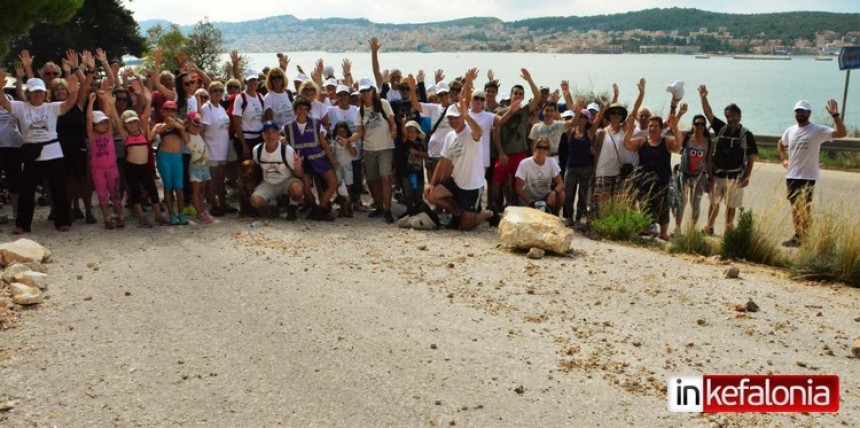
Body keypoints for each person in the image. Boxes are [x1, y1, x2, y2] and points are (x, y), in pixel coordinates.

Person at [0, 73, 79, 233]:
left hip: (53, 152)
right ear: (28, 93)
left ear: (45, 93)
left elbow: (68, 104)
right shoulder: (21, 107)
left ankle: (63, 221)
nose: (38, 95)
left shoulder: (51, 107)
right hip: (32, 153)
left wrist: (74, 91)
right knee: (27, 190)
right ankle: (22, 224)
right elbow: (3, 102)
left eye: (41, 92)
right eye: (34, 92)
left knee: (59, 188)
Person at [425, 68, 495, 231]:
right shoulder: (450, 136)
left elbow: (479, 132)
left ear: (462, 117)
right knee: (431, 195)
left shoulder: (471, 133)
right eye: (450, 118)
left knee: (466, 227)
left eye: (456, 118)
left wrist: (467, 115)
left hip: (472, 186)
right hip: (456, 182)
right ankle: (456, 210)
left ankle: (487, 213)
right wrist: (432, 184)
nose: (452, 121)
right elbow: (443, 162)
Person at [777, 99, 846, 247]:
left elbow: (841, 133)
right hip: (792, 175)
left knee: (805, 208)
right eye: (797, 111)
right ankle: (798, 236)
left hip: (808, 176)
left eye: (803, 111)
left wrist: (835, 116)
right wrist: (783, 159)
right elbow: (781, 143)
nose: (800, 114)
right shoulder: (790, 130)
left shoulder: (818, 130)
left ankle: (806, 238)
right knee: (795, 208)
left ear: (809, 113)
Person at [698, 84, 758, 235]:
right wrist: (704, 98)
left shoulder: (746, 135)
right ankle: (709, 227)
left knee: (731, 206)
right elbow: (708, 114)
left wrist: (746, 177)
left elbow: (751, 159)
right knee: (713, 203)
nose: (729, 119)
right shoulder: (721, 128)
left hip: (735, 177)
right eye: (727, 116)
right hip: (718, 175)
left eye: (732, 116)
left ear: (739, 116)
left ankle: (728, 231)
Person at [623, 109, 683, 241]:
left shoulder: (666, 141)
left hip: (662, 182)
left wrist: (676, 127)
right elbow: (627, 144)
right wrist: (629, 130)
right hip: (645, 182)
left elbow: (678, 145)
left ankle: (663, 233)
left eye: (656, 126)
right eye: (650, 126)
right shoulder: (641, 141)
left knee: (663, 208)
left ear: (661, 129)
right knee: (645, 206)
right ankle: (645, 230)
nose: (652, 128)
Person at [345, 77, 397, 223]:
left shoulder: (383, 104)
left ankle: (387, 210)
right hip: (369, 149)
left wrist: (394, 131)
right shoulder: (360, 111)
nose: (366, 94)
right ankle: (380, 206)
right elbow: (359, 132)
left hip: (385, 148)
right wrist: (348, 140)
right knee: (373, 180)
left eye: (368, 90)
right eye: (363, 91)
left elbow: (393, 123)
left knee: (385, 178)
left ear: (373, 90)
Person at [490, 68, 541, 211]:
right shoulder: (501, 112)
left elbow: (537, 98)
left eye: (520, 94)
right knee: (496, 182)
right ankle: (493, 208)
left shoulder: (525, 111)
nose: (517, 96)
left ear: (523, 97)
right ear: (511, 95)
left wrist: (529, 80)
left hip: (520, 153)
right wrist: (500, 152)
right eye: (515, 93)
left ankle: (513, 208)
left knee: (516, 184)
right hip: (504, 153)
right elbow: (496, 134)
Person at [116, 81, 166, 228]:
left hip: (144, 167)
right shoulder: (126, 136)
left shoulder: (143, 131)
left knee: (153, 191)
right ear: (125, 125)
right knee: (135, 194)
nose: (132, 125)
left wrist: (148, 99)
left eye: (134, 122)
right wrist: (109, 102)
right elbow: (114, 117)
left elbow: (145, 116)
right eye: (129, 123)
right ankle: (141, 219)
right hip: (131, 167)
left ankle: (158, 216)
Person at [285, 97, 338, 221]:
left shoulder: (315, 123)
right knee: (307, 190)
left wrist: (331, 160)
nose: (302, 111)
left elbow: (324, 143)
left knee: (333, 183)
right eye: (299, 109)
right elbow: (284, 144)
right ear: (295, 110)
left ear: (308, 110)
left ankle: (320, 209)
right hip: (303, 161)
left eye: (305, 109)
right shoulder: (287, 127)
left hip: (319, 159)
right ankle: (314, 209)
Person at [86, 91, 124, 229]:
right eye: (99, 124)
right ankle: (107, 219)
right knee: (102, 195)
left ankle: (120, 217)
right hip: (98, 170)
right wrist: (90, 102)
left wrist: (107, 101)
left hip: (112, 168)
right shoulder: (92, 136)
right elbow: (89, 119)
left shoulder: (109, 134)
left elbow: (108, 115)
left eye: (104, 123)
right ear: (94, 126)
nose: (102, 125)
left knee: (115, 194)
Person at [250, 120, 305, 214]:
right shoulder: (257, 150)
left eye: (273, 133)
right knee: (255, 201)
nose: (270, 136)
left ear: (278, 134)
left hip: (286, 182)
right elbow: (257, 168)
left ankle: (293, 205)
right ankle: (273, 205)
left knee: (297, 189)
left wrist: (298, 166)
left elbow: (300, 174)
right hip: (269, 183)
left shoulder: (287, 150)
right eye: (267, 133)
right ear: (263, 135)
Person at [200, 81, 236, 216]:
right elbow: (203, 129)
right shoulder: (206, 107)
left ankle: (222, 202)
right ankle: (213, 205)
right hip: (211, 148)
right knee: (212, 179)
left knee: (221, 179)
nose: (218, 93)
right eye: (215, 90)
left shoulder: (221, 108)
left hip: (222, 148)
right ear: (210, 92)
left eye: (221, 90)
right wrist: (203, 148)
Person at [562, 102, 600, 226]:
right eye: (580, 117)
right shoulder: (570, 131)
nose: (581, 119)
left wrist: (603, 108)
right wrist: (577, 111)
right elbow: (571, 121)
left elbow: (598, 120)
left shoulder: (589, 133)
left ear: (587, 120)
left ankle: (578, 218)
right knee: (568, 192)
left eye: (584, 117)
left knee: (582, 194)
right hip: (571, 166)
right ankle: (568, 216)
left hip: (585, 167)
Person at [674, 114, 711, 232]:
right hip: (683, 175)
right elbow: (674, 129)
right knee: (681, 203)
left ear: (705, 126)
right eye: (697, 124)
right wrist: (680, 113)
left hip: (699, 177)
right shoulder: (686, 137)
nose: (699, 126)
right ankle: (678, 229)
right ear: (693, 126)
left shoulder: (709, 143)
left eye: (702, 124)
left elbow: (709, 161)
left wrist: (710, 178)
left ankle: (691, 230)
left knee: (695, 204)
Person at [154, 100, 189, 225]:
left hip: (177, 157)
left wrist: (178, 126)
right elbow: (159, 131)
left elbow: (185, 138)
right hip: (164, 157)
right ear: (162, 111)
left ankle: (181, 213)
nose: (170, 112)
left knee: (179, 187)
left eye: (173, 110)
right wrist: (171, 125)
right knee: (168, 186)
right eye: (167, 110)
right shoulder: (159, 125)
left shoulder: (179, 124)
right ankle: (171, 214)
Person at [515, 138, 565, 214]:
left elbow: (560, 183)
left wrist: (554, 192)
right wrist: (529, 201)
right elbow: (518, 188)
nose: (542, 150)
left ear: (548, 151)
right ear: (535, 148)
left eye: (545, 148)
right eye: (539, 147)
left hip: (545, 198)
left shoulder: (552, 162)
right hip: (528, 198)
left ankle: (555, 213)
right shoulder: (524, 164)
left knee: (561, 194)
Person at [185, 112, 214, 224]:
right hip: (195, 166)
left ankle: (202, 210)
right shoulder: (187, 135)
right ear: (188, 123)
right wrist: (185, 122)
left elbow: (200, 116)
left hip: (204, 165)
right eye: (193, 124)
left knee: (202, 190)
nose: (196, 127)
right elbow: (179, 127)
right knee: (196, 191)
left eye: (198, 125)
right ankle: (199, 213)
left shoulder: (198, 134)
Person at [232, 69, 265, 159]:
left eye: (255, 80)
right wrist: (244, 146)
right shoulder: (240, 98)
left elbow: (263, 119)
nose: (253, 82)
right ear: (245, 82)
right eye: (250, 80)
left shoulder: (261, 97)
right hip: (245, 139)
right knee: (246, 170)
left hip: (259, 139)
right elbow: (237, 123)